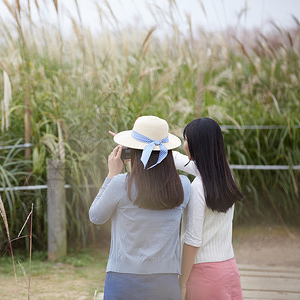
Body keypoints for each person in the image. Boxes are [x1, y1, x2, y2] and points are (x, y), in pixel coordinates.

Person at [89, 116, 191, 300]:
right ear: (168, 152)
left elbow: (96, 216)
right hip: (165, 283)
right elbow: (199, 169)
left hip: (123, 281)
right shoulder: (183, 186)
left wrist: (111, 174)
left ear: (133, 153)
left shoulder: (121, 184)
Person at [174, 118, 244, 300]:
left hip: (203, 274)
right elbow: (184, 162)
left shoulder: (198, 187)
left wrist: (182, 283)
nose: (184, 144)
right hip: (229, 270)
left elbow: (193, 240)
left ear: (198, 145)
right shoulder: (226, 177)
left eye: (187, 140)